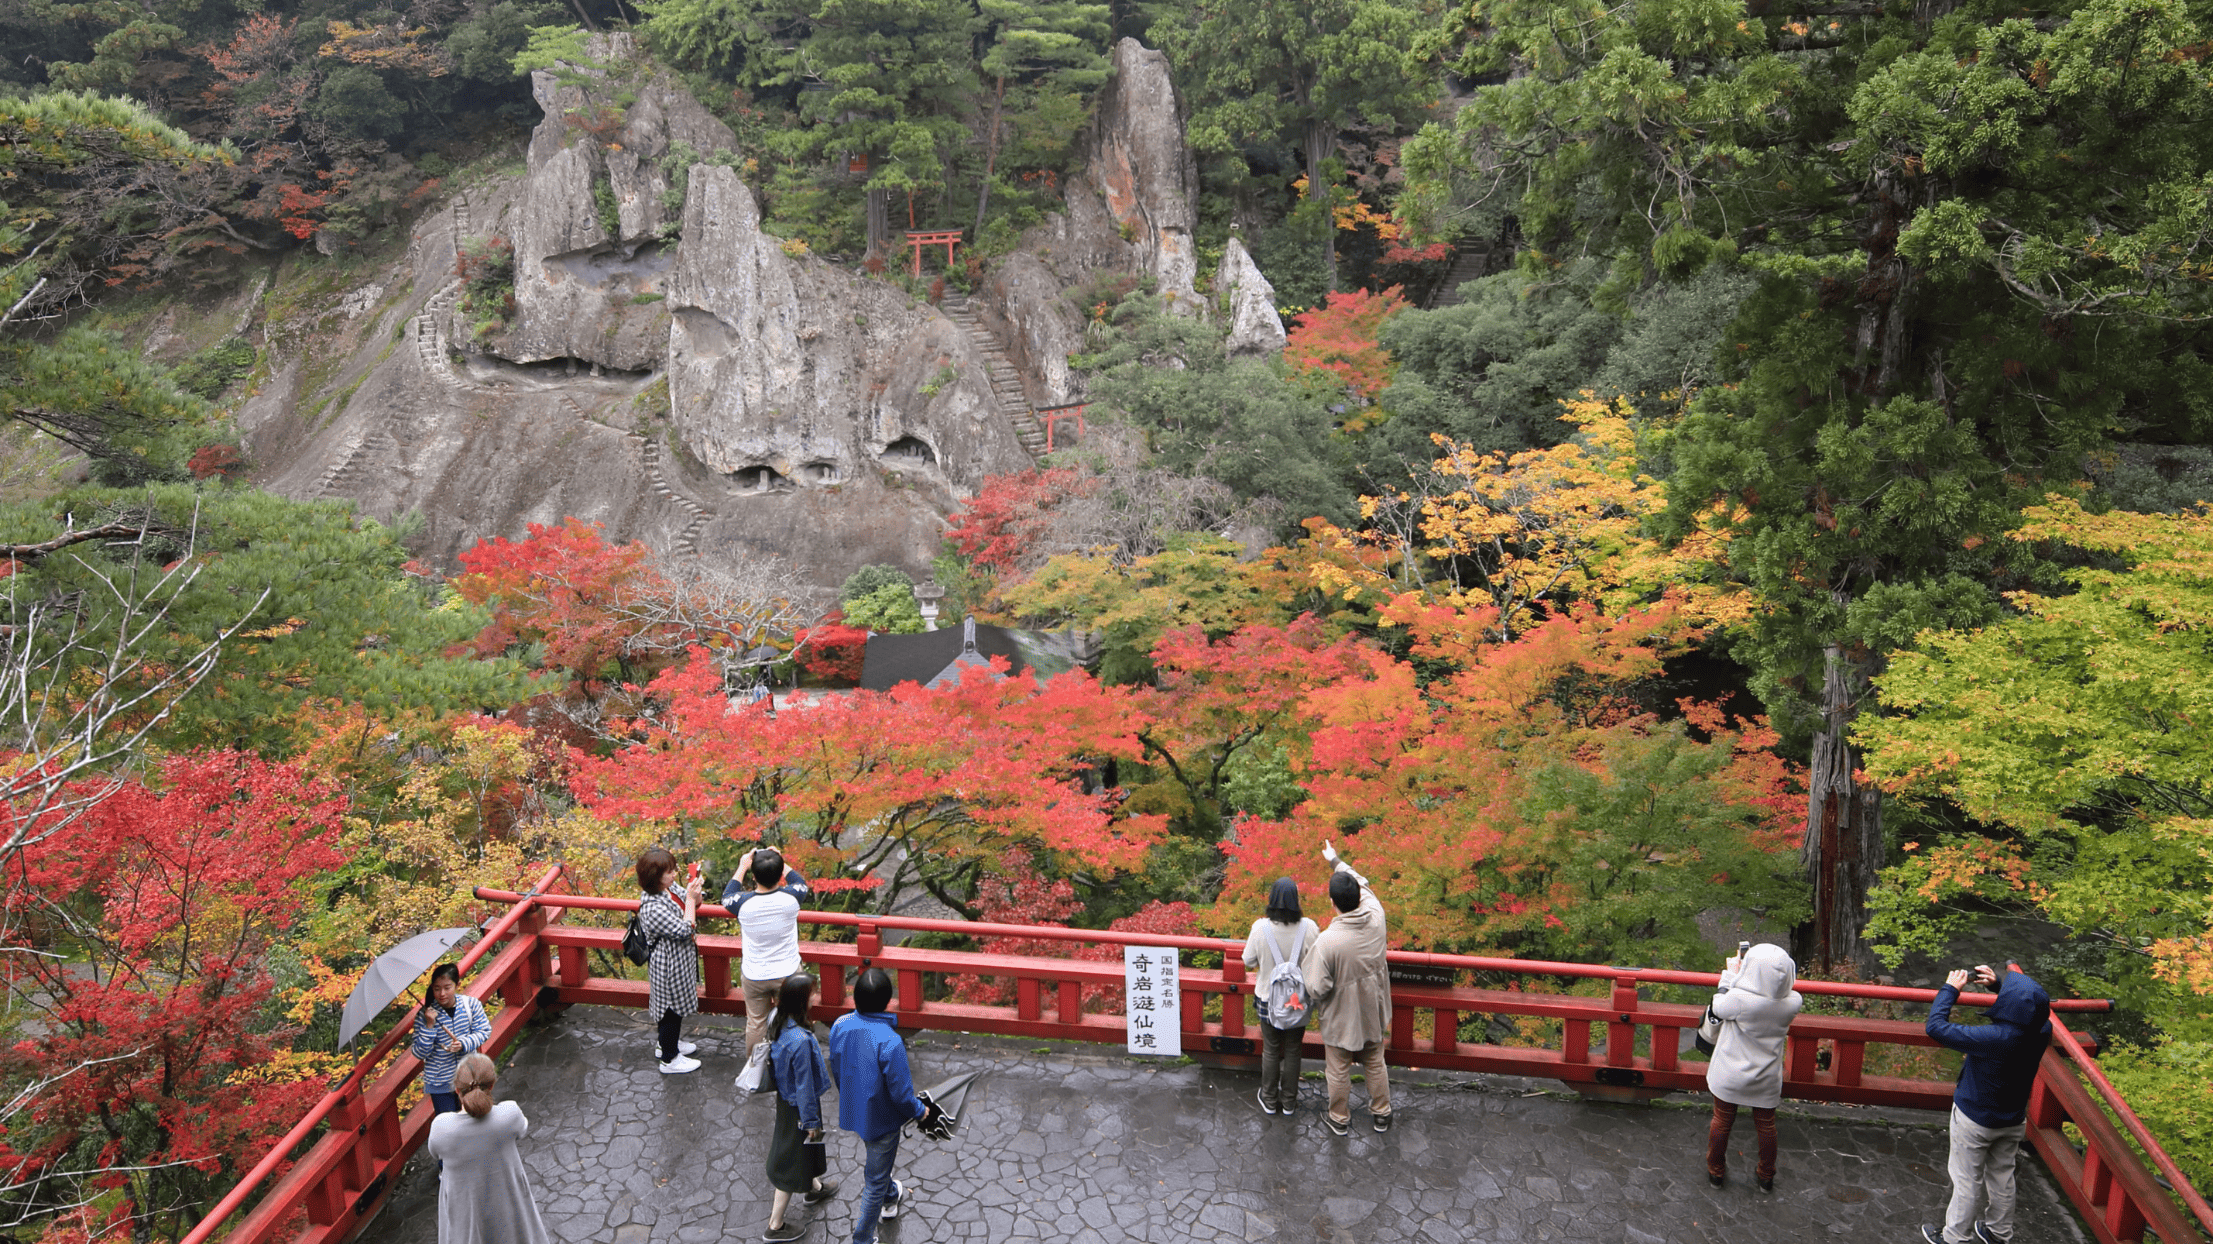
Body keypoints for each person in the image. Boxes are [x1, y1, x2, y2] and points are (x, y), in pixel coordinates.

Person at [1919, 964, 2052, 1244]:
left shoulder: (1993, 1038)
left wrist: (1950, 990)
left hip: (1974, 1119)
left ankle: (1955, 1237)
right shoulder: (2042, 1031)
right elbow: (2029, 1011)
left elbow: (1936, 1027)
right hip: (2013, 1118)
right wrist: (1998, 985)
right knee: (2002, 1177)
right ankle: (1998, 1233)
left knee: (1967, 1179)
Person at [828, 967, 928, 1244]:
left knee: (877, 1161)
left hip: (855, 1108)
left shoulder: (840, 1025)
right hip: (882, 1118)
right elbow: (901, 1094)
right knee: (874, 1179)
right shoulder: (890, 1041)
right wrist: (920, 1111)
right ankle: (862, 1237)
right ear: (887, 1001)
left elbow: (836, 1066)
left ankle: (891, 1195)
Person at [1301, 840, 1393, 1136]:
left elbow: (1317, 987)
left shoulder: (1328, 941)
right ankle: (1382, 1113)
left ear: (1333, 902)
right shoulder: (1376, 914)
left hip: (1341, 1015)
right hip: (1373, 1007)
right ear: (1358, 896)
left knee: (1338, 1068)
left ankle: (1339, 1118)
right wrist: (1335, 860)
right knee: (1375, 1061)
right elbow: (1361, 882)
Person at [1702, 943, 1803, 1192]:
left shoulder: (1738, 1000)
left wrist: (1731, 975)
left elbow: (1718, 1004)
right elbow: (1774, 990)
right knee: (1766, 1126)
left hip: (1731, 1073)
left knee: (1722, 1121)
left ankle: (1716, 1171)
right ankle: (1766, 1176)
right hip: (1766, 1076)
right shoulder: (1793, 1002)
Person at [427, 1052, 553, 1244]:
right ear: (492, 1085)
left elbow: (435, 1152)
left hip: (465, 1211)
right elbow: (522, 1128)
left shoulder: (441, 1128)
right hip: (508, 1203)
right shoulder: (509, 1115)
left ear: (457, 1089)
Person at [762, 972, 840, 1242]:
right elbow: (804, 1086)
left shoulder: (778, 1019)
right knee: (791, 1159)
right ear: (801, 1000)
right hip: (800, 1106)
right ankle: (775, 1225)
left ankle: (814, 1187)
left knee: (808, 1148)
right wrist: (810, 1122)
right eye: (812, 994)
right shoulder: (801, 1042)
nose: (815, 997)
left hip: (787, 1099)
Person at [723, 846, 812, 1057]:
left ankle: (756, 1065)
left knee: (756, 1022)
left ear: (754, 877)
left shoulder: (742, 904)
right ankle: (791, 1060)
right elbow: (800, 882)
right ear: (780, 875)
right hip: (788, 973)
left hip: (755, 973)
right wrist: (781, 862)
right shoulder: (793, 897)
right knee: (791, 1020)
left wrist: (742, 866)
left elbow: (727, 896)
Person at [1242, 877, 1318, 1117]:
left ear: (1272, 898)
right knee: (1294, 1049)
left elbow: (1248, 960)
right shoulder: (1309, 928)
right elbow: (1318, 962)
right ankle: (1288, 1102)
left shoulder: (1260, 928)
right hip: (1298, 1001)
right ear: (1296, 899)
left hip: (1268, 999)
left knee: (1271, 1049)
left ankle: (1268, 1098)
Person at [637, 846, 704, 1074]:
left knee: (676, 1007)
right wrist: (691, 900)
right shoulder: (652, 907)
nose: (674, 874)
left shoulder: (668, 888)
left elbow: (692, 903)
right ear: (654, 876)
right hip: (667, 964)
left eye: (673, 869)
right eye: (669, 871)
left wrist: (695, 892)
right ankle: (669, 1059)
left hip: (678, 960)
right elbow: (686, 928)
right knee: (669, 1011)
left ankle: (667, 1044)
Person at [412, 963, 492, 1118]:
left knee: (475, 1119)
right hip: (440, 1082)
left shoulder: (471, 1005)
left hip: (470, 1078)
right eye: (437, 989)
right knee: (449, 1125)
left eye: (447, 988)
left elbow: (484, 1031)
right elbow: (419, 1052)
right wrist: (429, 1026)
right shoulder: (425, 1015)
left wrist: (464, 1043)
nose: (442, 993)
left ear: (457, 985)